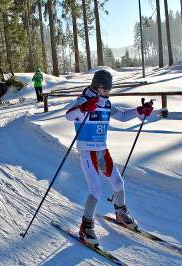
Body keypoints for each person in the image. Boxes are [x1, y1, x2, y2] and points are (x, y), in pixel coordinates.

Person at [65, 70, 153, 246]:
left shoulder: (105, 103)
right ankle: (86, 226)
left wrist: (139, 111)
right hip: (87, 150)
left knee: (118, 183)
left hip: (102, 149)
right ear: (96, 87)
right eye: (105, 89)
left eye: (109, 89)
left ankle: (120, 213)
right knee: (96, 190)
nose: (107, 92)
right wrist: (83, 108)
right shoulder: (84, 100)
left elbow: (121, 115)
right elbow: (69, 115)